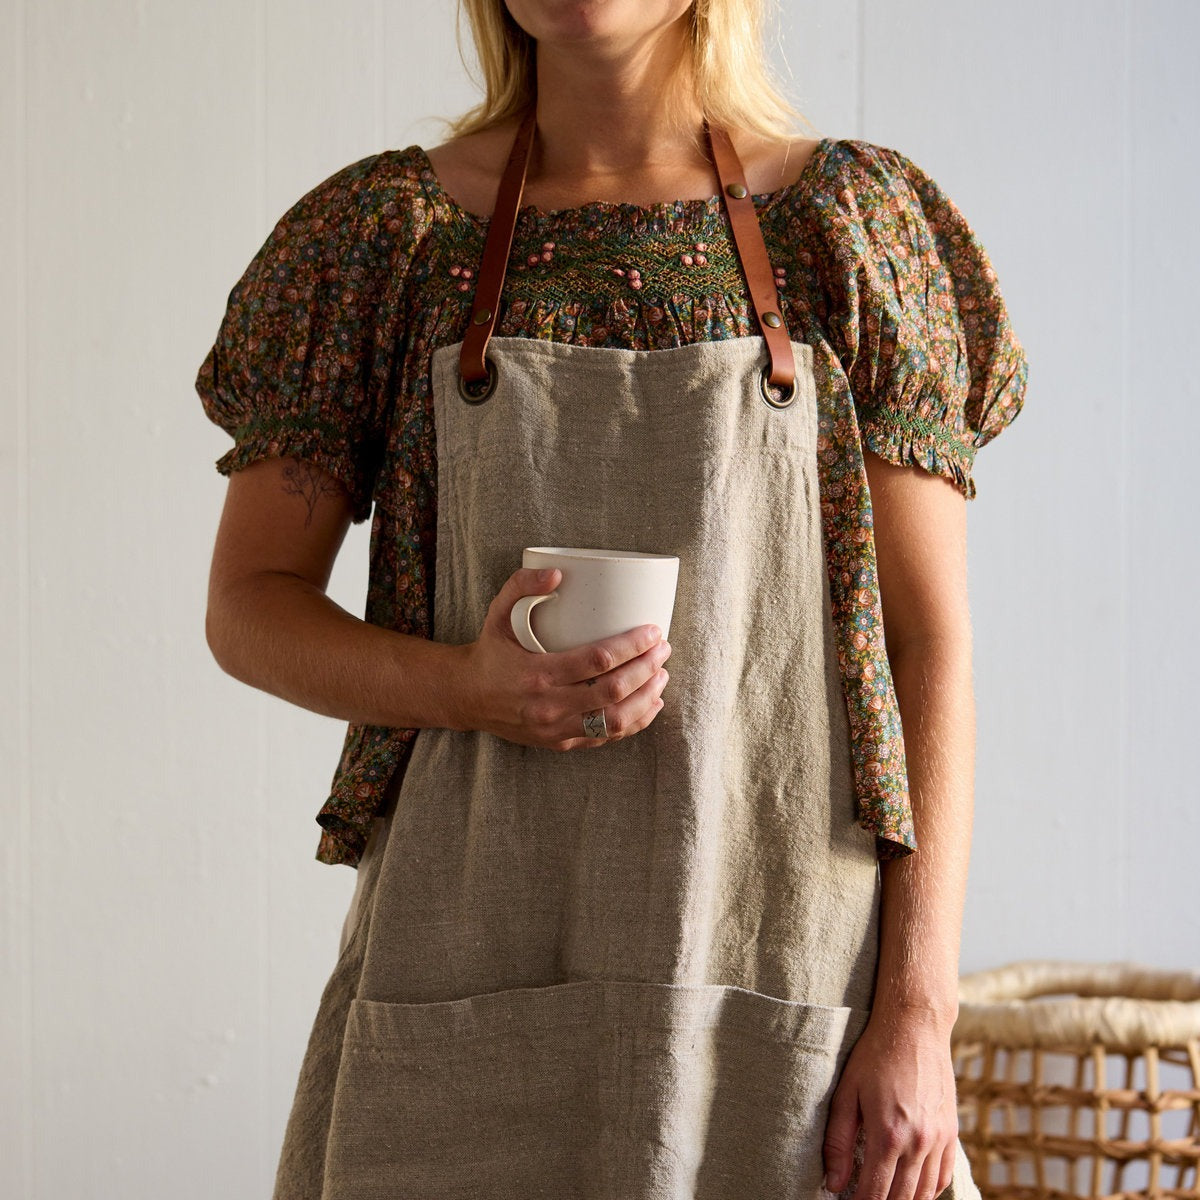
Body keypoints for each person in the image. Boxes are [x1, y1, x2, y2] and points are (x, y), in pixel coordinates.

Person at [194, 1, 1028, 1197]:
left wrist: (917, 1016)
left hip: (781, 956)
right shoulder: (386, 237)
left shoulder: (848, 226)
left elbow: (928, 646)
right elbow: (249, 605)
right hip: (468, 947)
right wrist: (468, 688)